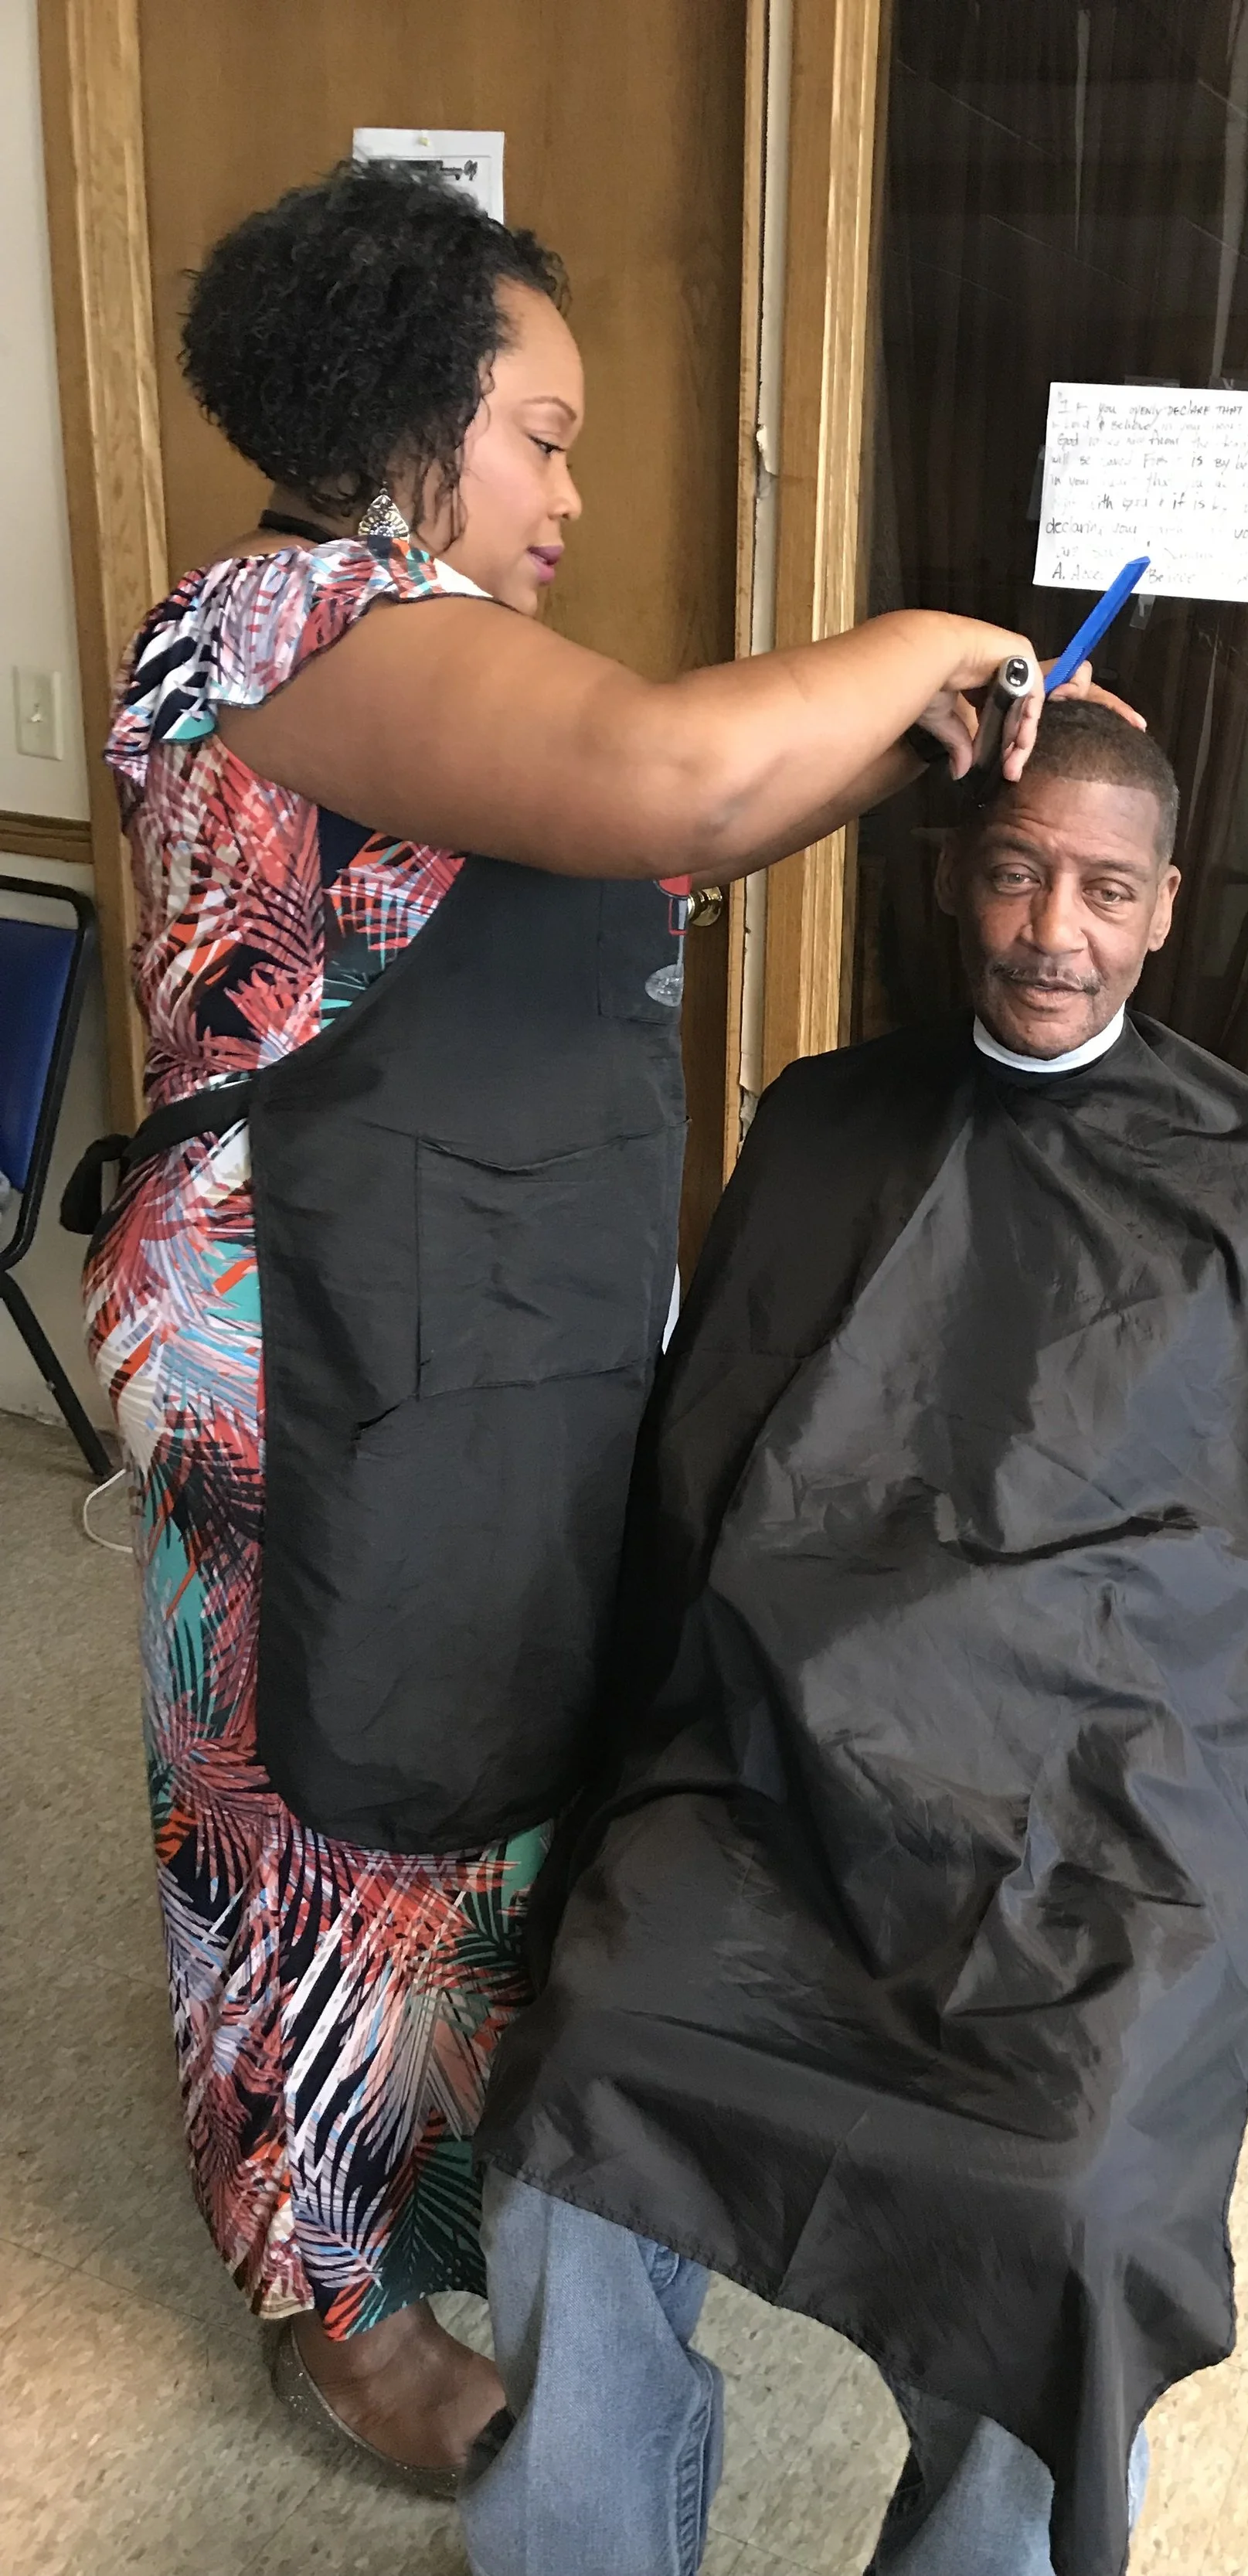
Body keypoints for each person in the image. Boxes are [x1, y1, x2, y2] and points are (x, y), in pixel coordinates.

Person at [79, 158, 1112, 2486]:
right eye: (541, 431)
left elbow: (677, 825)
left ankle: (452, 2185)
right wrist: (931, 637)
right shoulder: (290, 621)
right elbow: (666, 767)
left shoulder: (427, 659)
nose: (571, 488)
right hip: (313, 1334)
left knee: (470, 1773)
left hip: (457, 1302)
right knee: (322, 1811)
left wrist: (892, 756)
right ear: (410, 419)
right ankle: (321, 2291)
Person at [471, 700, 1248, 2576]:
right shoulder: (821, 1126)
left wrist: (1223, 1899)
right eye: (1019, 870)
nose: (1056, 928)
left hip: (1090, 1819)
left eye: (1104, 888)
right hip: (773, 1779)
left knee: (1072, 2196)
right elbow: (698, 1483)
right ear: (956, 879)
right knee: (578, 2085)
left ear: (1164, 910)